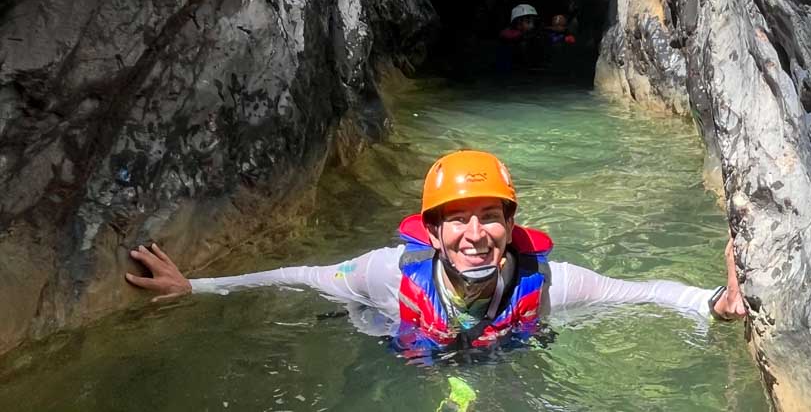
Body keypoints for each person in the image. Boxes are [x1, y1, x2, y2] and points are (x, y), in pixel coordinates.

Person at [126, 150, 746, 354]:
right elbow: (301, 275)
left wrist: (715, 301)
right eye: (456, 220)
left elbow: (643, 292)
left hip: (498, 357)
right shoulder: (386, 275)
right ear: (430, 232)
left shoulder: (549, 282)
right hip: (398, 344)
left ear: (510, 224)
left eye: (489, 217)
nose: (474, 233)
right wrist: (197, 288)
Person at [497, 4, 545, 72]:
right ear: (518, 22)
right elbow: (508, 36)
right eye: (528, 21)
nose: (532, 25)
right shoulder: (507, 34)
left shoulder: (534, 35)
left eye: (533, 21)